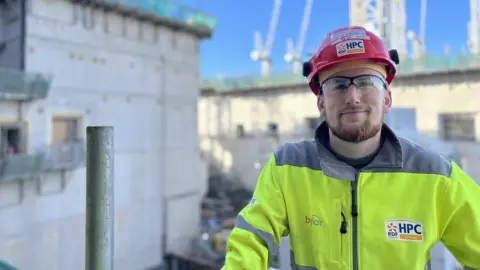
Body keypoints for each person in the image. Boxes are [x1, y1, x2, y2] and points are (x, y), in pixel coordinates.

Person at [221, 26, 480, 270]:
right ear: (321, 103)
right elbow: (250, 242)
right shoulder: (287, 168)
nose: (353, 97)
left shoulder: (436, 177)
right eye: (338, 85)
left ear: (387, 98)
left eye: (367, 82)